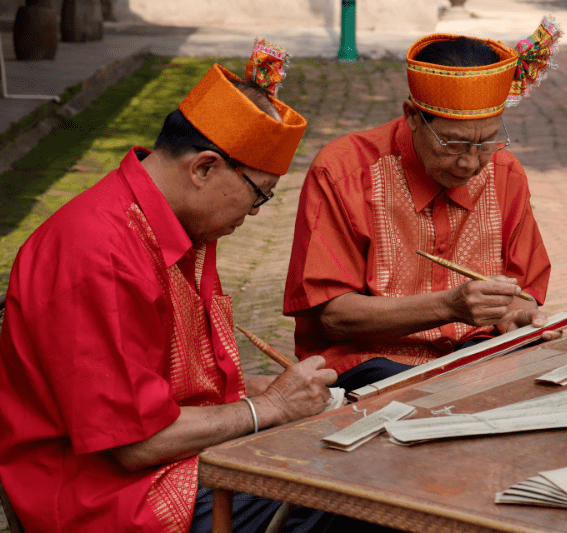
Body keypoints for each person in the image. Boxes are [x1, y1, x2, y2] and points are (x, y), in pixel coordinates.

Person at [0, 40, 393, 533]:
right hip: (107, 495)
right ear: (204, 168)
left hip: (173, 454)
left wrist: (278, 398)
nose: (252, 215)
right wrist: (270, 407)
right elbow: (134, 444)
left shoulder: (179, 225)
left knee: (364, 427)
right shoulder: (99, 251)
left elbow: (193, 389)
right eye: (258, 197)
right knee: (350, 494)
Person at [284, 19, 564, 391]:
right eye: (452, 144)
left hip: (477, 351)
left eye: (486, 142)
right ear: (413, 116)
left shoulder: (504, 173)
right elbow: (333, 316)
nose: (469, 163)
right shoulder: (343, 171)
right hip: (371, 360)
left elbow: (521, 293)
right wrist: (449, 306)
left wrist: (517, 317)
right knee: (431, 398)